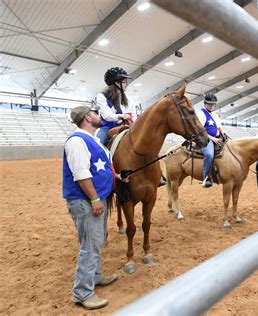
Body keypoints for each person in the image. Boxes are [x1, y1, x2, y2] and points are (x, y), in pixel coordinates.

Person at [63, 105, 123, 310]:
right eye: (96, 113)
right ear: (88, 118)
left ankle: (95, 276)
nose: (99, 116)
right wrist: (95, 200)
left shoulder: (93, 140)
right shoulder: (77, 141)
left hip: (95, 198)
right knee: (89, 245)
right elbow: (81, 174)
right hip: (86, 201)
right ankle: (82, 293)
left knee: (96, 241)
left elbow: (100, 167)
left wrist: (115, 176)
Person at [96, 67, 135, 146]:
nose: (127, 84)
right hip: (107, 128)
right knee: (99, 142)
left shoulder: (128, 99)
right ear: (117, 83)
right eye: (124, 82)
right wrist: (121, 116)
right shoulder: (101, 96)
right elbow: (106, 115)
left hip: (126, 126)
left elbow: (133, 114)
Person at [197, 93, 225, 188]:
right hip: (206, 139)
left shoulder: (215, 115)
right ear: (205, 103)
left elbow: (219, 127)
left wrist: (222, 133)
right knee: (209, 154)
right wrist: (213, 138)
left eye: (213, 104)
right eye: (209, 104)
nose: (212, 106)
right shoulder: (201, 113)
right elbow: (200, 130)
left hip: (218, 138)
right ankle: (206, 178)